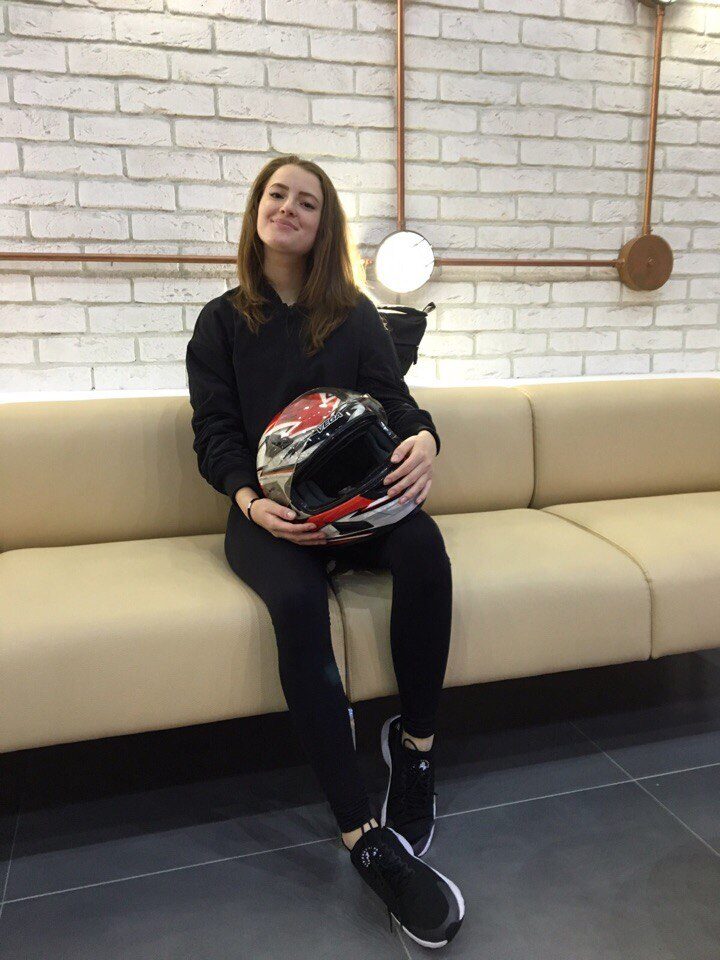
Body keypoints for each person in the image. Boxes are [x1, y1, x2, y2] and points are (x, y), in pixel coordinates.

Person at [185, 155, 464, 948]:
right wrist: (251, 503)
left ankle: (415, 749)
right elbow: (214, 433)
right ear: (257, 210)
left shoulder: (354, 315)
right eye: (277, 195)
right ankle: (361, 834)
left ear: (322, 223)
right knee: (297, 602)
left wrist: (424, 439)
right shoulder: (220, 322)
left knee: (426, 551)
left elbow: (398, 403)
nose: (289, 208)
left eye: (307, 202)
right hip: (269, 513)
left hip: (359, 501)